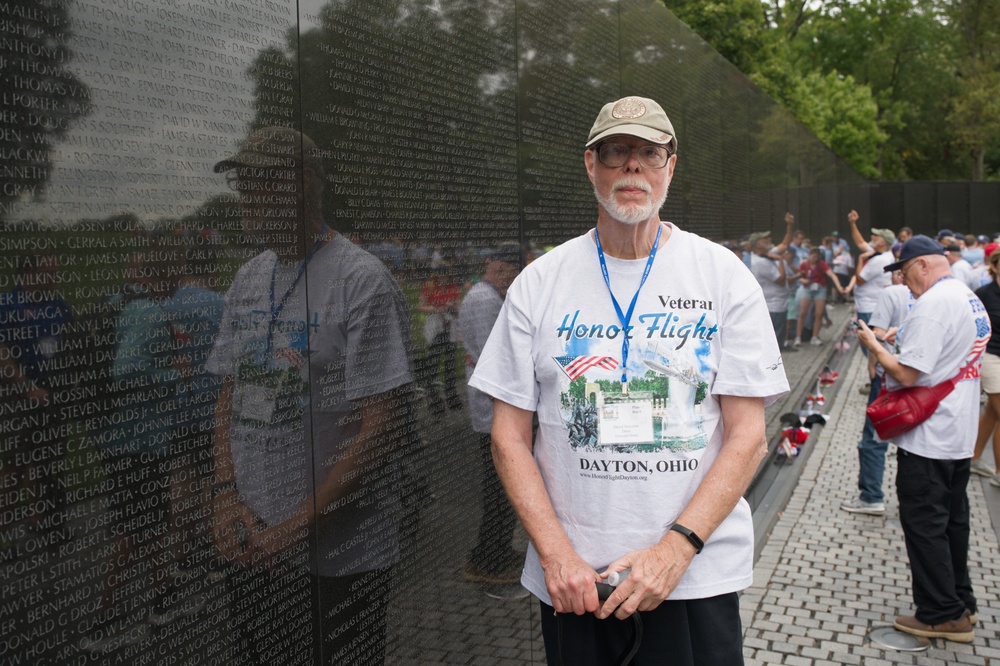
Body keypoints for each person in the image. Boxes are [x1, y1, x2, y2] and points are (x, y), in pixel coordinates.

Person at [469, 96, 789, 665]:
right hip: (574, 584)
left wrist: (673, 551)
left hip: (692, 577)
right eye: (617, 152)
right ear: (591, 164)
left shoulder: (722, 276)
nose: (633, 167)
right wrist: (557, 556)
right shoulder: (540, 282)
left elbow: (749, 438)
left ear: (671, 165)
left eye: (649, 153)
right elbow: (508, 438)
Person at [208, 127, 414, 665]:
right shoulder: (249, 278)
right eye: (241, 184)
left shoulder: (361, 279)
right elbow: (229, 394)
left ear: (300, 183)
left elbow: (381, 426)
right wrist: (228, 494)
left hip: (340, 558)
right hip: (253, 542)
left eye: (256, 183)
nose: (245, 198)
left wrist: (297, 527)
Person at [857, 235, 990, 643]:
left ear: (921, 266)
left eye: (903, 273)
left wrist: (875, 346)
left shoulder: (932, 305)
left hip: (929, 437)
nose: (903, 283)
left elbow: (907, 374)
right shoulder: (967, 297)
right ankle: (961, 601)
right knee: (953, 522)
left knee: (925, 524)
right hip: (958, 432)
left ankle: (941, 613)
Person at [457, 243, 523, 584]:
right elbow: (491, 355)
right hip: (490, 410)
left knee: (503, 487)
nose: (509, 277)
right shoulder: (484, 300)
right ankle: (487, 560)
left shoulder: (485, 295)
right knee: (498, 488)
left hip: (493, 406)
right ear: (495, 268)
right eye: (506, 270)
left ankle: (497, 549)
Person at [841, 274, 912, 515]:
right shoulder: (935, 297)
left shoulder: (891, 293)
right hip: (920, 379)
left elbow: (876, 335)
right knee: (911, 441)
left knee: (873, 437)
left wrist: (872, 365)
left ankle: (871, 496)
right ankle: (910, 500)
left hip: (888, 376)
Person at [971, 248, 1000, 487]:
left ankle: (974, 456)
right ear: (995, 266)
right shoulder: (984, 293)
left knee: (992, 410)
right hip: (991, 355)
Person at [748, 220, 793, 351]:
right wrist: (780, 260)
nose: (769, 239)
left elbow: (784, 245)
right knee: (774, 344)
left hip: (777, 304)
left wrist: (789, 225)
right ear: (758, 244)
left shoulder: (765, 254)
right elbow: (781, 280)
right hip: (774, 306)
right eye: (765, 239)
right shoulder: (761, 262)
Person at [793, 248, 845, 346]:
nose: (815, 259)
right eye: (813, 256)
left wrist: (838, 286)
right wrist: (804, 281)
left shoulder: (821, 264)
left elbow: (832, 275)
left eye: (817, 257)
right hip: (807, 288)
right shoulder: (805, 264)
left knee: (819, 313)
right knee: (803, 313)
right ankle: (798, 336)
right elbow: (800, 276)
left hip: (820, 288)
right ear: (809, 255)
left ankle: (815, 336)